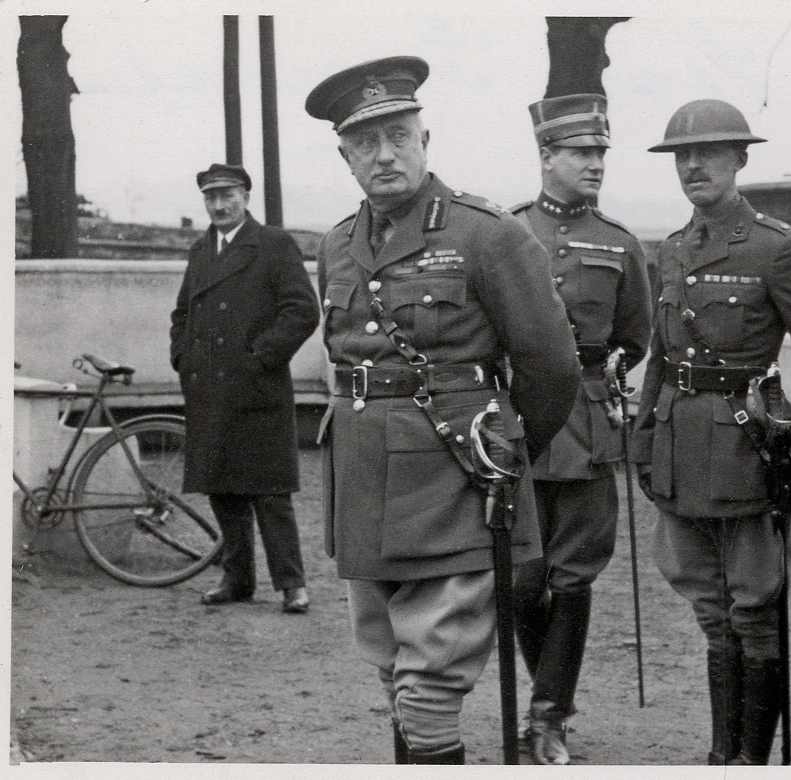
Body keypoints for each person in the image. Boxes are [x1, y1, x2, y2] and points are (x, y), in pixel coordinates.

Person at [305, 57, 580, 765]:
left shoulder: (487, 234)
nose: (385, 155)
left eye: (398, 135)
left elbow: (551, 368)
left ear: (424, 140)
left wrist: (502, 454)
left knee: (429, 688)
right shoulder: (337, 244)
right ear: (345, 156)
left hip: (452, 478)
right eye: (366, 142)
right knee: (390, 668)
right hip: (362, 479)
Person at [631, 99, 791, 765]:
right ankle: (720, 753)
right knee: (710, 609)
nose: (693, 166)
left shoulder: (775, 247)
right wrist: (642, 439)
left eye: (709, 153)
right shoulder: (673, 249)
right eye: (682, 155)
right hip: (679, 448)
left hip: (746, 449)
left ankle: (749, 762)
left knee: (753, 610)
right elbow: (661, 357)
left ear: (740, 159)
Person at [508, 93, 652, 765]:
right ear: (547, 156)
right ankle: (549, 703)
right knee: (520, 577)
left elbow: (634, 337)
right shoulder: (507, 233)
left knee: (573, 575)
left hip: (586, 422)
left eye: (600, 153)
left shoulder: (620, 243)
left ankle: (547, 716)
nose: (595, 164)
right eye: (581, 152)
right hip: (516, 422)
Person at [169, 163, 319, 614]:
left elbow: (302, 310)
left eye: (227, 195)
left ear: (246, 197)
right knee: (222, 489)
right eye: (211, 197)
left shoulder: (272, 243)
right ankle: (237, 580)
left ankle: (292, 584)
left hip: (257, 388)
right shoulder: (201, 250)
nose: (218, 205)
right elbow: (181, 313)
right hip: (209, 390)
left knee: (270, 491)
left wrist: (261, 358)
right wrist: (182, 357)